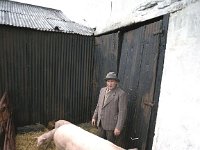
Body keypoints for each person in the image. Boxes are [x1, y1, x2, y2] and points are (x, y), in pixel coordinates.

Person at [92, 72, 128, 144]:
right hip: (100, 123)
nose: (110, 83)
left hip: (112, 126)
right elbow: (99, 105)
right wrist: (94, 117)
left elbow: (122, 112)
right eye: (108, 81)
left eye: (112, 81)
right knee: (99, 142)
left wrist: (118, 127)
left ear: (116, 82)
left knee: (110, 145)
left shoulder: (121, 94)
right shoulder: (102, 90)